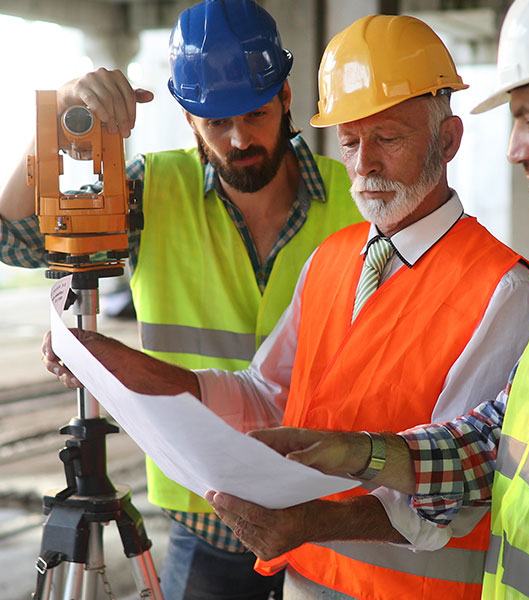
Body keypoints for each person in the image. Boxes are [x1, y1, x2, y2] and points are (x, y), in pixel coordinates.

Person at [41, 14, 529, 600]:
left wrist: (313, 522)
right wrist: (113, 361)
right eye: (352, 142)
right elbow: (266, 396)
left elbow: (462, 486)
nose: (365, 166)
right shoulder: (332, 259)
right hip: (305, 582)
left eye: (389, 138)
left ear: (450, 140)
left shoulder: (501, 287)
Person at [0, 1, 365, 599]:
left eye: (255, 113)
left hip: (325, 516)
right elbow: (11, 238)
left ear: (287, 98)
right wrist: (61, 108)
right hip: (204, 522)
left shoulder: (356, 206)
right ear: (189, 118)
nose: (240, 138)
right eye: (216, 122)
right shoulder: (148, 191)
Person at [248, 1, 529, 598]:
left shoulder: (508, 286)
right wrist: (355, 453)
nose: (514, 149)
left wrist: (324, 511)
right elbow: (490, 440)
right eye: (350, 139)